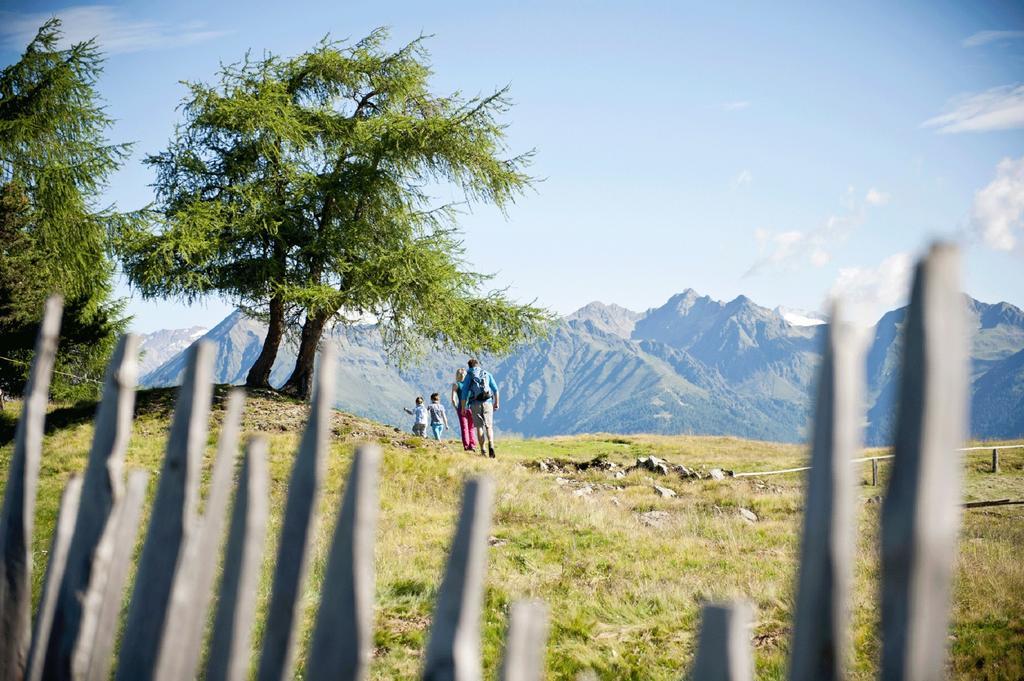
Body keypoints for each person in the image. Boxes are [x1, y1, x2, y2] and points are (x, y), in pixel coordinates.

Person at [459, 358, 500, 458]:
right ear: (478, 364)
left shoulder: (469, 376)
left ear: (469, 366)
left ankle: (483, 450)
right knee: (489, 426)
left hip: (475, 404)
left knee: (479, 427)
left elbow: (464, 393)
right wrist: (496, 403)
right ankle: (491, 444)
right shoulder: (486, 374)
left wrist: (463, 407)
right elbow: (495, 389)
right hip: (488, 402)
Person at [451, 368, 477, 451]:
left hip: (461, 408)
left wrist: (456, 407)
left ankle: (466, 446)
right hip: (471, 408)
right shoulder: (470, 384)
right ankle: (472, 445)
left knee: (464, 428)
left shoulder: (456, 385)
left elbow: (453, 399)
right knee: (471, 428)